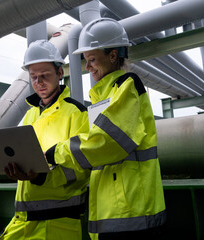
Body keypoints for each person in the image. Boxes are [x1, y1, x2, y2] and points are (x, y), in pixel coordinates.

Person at [45, 18, 166, 240]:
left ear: (112, 56)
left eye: (91, 59)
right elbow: (94, 154)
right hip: (112, 211)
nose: (88, 66)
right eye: (85, 60)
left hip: (132, 213)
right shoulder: (103, 97)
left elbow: (105, 142)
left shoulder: (127, 86)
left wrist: (57, 152)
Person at [0, 40, 90, 240]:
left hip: (58, 224)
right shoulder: (31, 115)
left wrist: (40, 177)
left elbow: (82, 171)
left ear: (59, 73)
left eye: (44, 75)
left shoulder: (77, 114)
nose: (38, 82)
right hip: (23, 220)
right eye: (33, 77)